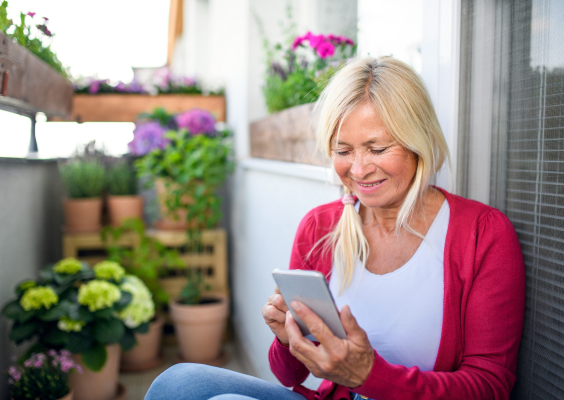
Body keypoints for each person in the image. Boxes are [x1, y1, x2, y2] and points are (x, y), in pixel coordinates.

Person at [143, 56, 525, 400]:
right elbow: (288, 375)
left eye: (377, 149)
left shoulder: (482, 234)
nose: (358, 170)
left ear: (418, 142)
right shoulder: (320, 227)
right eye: (343, 151)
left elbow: (489, 388)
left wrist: (368, 376)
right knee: (176, 383)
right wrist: (286, 337)